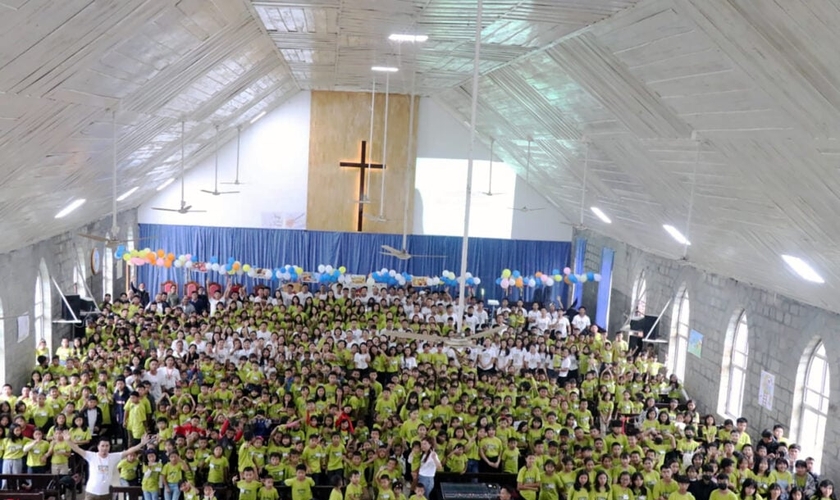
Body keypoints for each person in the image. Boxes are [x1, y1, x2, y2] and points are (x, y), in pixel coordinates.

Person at [64, 430, 154, 500]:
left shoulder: (113, 457)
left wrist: (141, 444)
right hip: (91, 492)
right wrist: (68, 441)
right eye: (102, 446)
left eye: (107, 446)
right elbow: (77, 449)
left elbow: (128, 451)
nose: (104, 448)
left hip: (106, 493)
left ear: (109, 447)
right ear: (98, 447)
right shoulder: (91, 456)